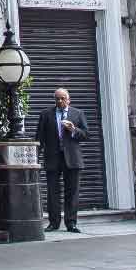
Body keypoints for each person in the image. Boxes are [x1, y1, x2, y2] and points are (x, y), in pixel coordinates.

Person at [34, 87, 89, 233]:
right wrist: (36, 158)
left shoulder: (78, 113)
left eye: (62, 98)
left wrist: (74, 130)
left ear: (68, 100)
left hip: (73, 159)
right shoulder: (46, 114)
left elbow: (86, 135)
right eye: (57, 99)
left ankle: (71, 223)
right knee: (52, 192)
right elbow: (39, 138)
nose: (59, 101)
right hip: (53, 158)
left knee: (72, 192)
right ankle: (54, 223)